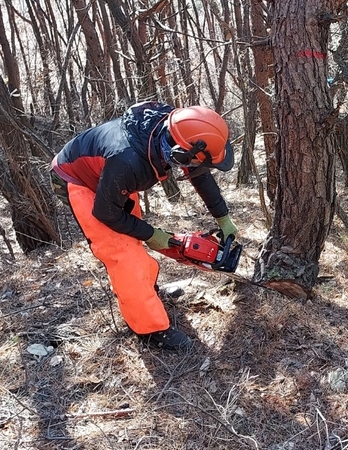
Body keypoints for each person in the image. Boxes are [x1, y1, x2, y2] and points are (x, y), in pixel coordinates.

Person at [50, 101, 238, 351]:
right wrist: (153, 235)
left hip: (112, 178)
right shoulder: (129, 162)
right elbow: (107, 213)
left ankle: (146, 294)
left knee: (134, 238)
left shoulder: (176, 130)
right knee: (124, 253)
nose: (195, 168)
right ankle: (151, 329)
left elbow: (199, 172)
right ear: (180, 153)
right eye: (192, 162)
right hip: (80, 180)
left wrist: (222, 217)